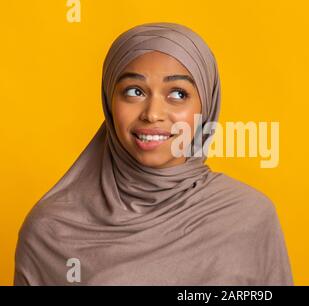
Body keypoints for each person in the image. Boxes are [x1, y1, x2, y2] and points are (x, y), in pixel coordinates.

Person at [14, 22, 294, 285]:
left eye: (178, 94)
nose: (152, 114)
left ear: (205, 105)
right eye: (134, 91)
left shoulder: (248, 217)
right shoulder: (51, 230)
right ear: (110, 102)